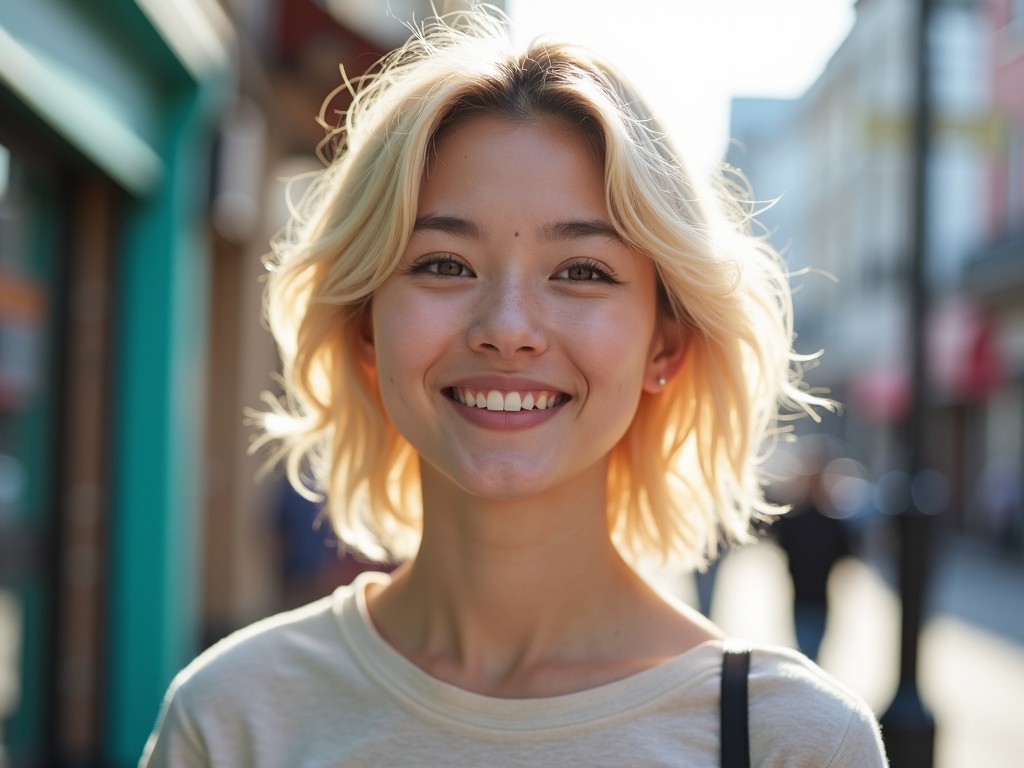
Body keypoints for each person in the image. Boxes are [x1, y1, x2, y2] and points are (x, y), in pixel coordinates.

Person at [140, 8, 887, 766]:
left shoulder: (796, 741)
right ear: (367, 327)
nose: (507, 327)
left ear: (665, 344)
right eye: (443, 263)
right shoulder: (231, 715)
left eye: (581, 272)